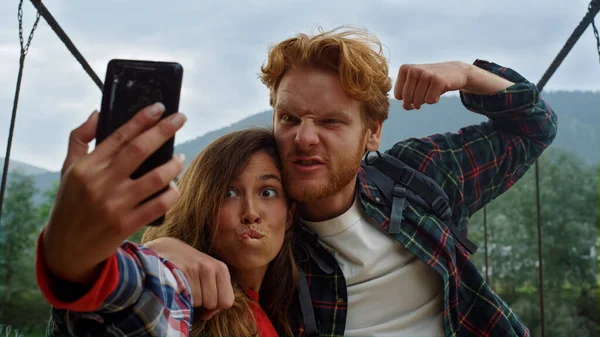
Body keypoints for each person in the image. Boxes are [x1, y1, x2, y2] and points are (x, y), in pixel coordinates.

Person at [148, 27, 558, 337]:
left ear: (373, 133)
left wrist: (467, 74)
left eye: (330, 122)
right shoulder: (264, 232)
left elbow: (534, 126)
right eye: (289, 119)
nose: (304, 138)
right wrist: (159, 252)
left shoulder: (421, 175)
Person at [36, 119, 297, 335]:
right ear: (202, 208)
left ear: (290, 215)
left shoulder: (289, 307)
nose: (251, 213)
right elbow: (128, 293)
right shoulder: (177, 291)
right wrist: (77, 257)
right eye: (229, 193)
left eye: (268, 192)